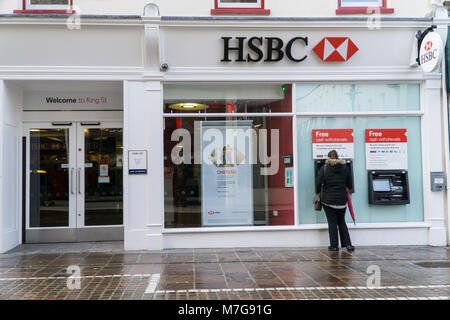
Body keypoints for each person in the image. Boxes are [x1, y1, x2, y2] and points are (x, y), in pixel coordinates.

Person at [316, 150, 355, 252]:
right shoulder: (346, 168)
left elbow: (318, 183)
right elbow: (350, 185)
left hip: (328, 201)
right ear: (338, 157)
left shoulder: (324, 168)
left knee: (332, 222)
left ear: (328, 157)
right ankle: (348, 245)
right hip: (342, 200)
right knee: (342, 222)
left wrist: (319, 193)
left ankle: (334, 246)